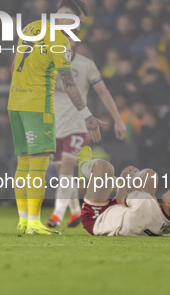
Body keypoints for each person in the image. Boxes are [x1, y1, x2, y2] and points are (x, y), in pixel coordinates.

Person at [7, 0, 102, 236]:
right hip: (38, 106)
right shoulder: (60, 39)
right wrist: (88, 115)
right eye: (78, 22)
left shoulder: (31, 27)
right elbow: (69, 83)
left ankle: (23, 221)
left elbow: (13, 65)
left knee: (23, 163)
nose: (79, 28)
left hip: (15, 102)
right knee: (38, 166)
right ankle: (34, 223)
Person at [47, 38, 127, 229]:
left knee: (66, 169)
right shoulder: (49, 63)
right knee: (62, 174)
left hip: (76, 125)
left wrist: (117, 119)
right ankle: (75, 212)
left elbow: (103, 91)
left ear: (72, 44)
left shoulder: (86, 65)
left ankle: (56, 216)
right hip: (53, 125)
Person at [78, 146, 170, 236]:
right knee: (150, 176)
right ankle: (109, 184)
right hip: (124, 214)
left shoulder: (143, 203)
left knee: (104, 168)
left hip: (96, 219)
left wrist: (125, 178)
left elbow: (120, 199)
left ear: (169, 199)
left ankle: (83, 167)